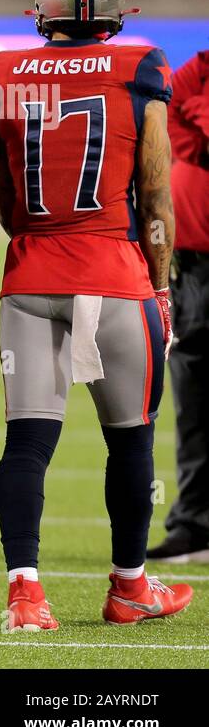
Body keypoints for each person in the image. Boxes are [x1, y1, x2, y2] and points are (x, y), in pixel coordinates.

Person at [0, 0, 192, 629]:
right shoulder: (140, 65)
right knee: (131, 440)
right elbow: (156, 194)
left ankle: (26, 596)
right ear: (114, 4)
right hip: (113, 274)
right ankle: (129, 587)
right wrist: (160, 286)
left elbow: (6, 193)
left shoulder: (4, 71)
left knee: (26, 442)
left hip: (31, 272)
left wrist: (36, 236)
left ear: (41, 6)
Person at [147, 47, 209, 564]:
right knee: (191, 403)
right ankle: (194, 523)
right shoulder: (204, 67)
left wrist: (193, 124)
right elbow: (163, 107)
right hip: (189, 268)